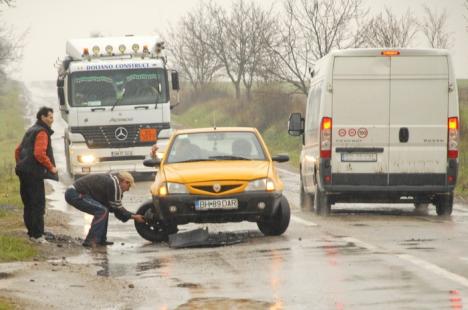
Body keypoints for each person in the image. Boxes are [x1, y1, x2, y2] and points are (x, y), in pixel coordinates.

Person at [64, 171, 145, 247]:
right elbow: (118, 209)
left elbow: (116, 211)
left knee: (104, 209)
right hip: (74, 194)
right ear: (125, 181)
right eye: (129, 186)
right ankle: (91, 240)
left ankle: (101, 240)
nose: (128, 189)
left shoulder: (113, 183)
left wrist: (133, 216)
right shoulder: (114, 184)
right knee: (102, 211)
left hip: (77, 193)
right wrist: (135, 217)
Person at [15, 106, 58, 244]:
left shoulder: (30, 129)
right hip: (33, 173)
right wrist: (51, 167)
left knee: (28, 203)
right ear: (43, 118)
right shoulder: (42, 132)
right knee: (38, 204)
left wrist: (21, 164)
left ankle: (31, 232)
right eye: (50, 117)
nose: (52, 120)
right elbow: (39, 154)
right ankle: (38, 235)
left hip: (23, 171)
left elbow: (17, 150)